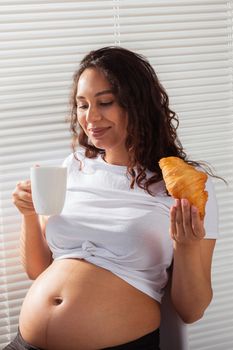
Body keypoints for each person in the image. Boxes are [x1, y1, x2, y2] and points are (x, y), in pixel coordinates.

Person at [7, 46, 219, 350]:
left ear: (137, 105)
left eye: (104, 102)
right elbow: (38, 271)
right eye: (82, 105)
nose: (90, 118)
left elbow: (191, 310)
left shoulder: (183, 187)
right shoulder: (72, 167)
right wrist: (28, 213)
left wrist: (187, 247)